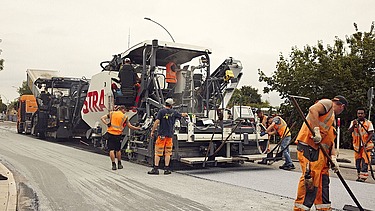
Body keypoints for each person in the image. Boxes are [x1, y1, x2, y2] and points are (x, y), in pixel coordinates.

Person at [294, 95, 348, 211]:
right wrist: (316, 131)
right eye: (342, 109)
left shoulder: (331, 120)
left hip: (321, 153)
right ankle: (301, 208)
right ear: (342, 106)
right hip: (309, 146)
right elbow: (313, 110)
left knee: (323, 180)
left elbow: (331, 142)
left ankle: (323, 208)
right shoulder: (327, 103)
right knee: (310, 179)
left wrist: (333, 158)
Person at [148, 98, 188, 175]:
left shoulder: (161, 112)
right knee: (167, 153)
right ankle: (167, 169)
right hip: (169, 136)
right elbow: (181, 115)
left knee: (158, 152)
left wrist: (152, 131)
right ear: (171, 105)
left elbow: (156, 122)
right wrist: (186, 114)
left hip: (162, 135)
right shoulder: (174, 112)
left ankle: (156, 169)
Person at [101, 105, 141, 170]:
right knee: (118, 150)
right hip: (118, 135)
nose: (125, 112)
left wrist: (107, 123)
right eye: (125, 111)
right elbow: (130, 126)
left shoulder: (112, 113)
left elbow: (102, 118)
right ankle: (119, 164)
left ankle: (113, 165)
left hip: (110, 134)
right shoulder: (125, 117)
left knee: (111, 150)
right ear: (122, 109)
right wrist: (137, 128)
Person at [348, 107, 374, 182]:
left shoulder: (368, 123)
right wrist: (354, 125)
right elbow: (349, 131)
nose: (360, 115)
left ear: (364, 114)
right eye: (358, 113)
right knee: (358, 162)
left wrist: (366, 142)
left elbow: (371, 133)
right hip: (357, 147)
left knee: (365, 162)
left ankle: (363, 177)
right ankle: (359, 175)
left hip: (366, 146)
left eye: (361, 113)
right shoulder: (354, 122)